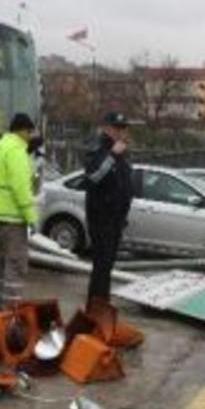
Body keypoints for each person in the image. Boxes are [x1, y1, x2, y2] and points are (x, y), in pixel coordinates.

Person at [0, 113, 37, 310]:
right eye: (30, 132)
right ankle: (10, 311)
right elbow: (20, 187)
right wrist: (32, 218)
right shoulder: (16, 151)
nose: (31, 136)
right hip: (12, 218)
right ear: (22, 130)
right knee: (15, 263)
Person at [84, 111, 134, 304]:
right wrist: (113, 155)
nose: (121, 132)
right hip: (101, 217)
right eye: (117, 128)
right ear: (107, 128)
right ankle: (95, 306)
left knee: (107, 266)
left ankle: (101, 304)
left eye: (123, 128)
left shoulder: (122, 152)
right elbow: (93, 178)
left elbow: (122, 184)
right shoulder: (99, 149)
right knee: (101, 265)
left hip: (116, 219)